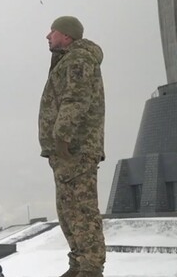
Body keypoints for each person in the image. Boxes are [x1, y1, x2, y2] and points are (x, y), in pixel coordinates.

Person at [39, 16, 106, 277]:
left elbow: (76, 97)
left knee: (82, 209)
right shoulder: (67, 60)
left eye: (52, 31)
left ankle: (90, 268)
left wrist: (63, 137)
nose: (48, 36)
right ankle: (78, 263)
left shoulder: (79, 60)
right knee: (68, 211)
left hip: (75, 148)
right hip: (64, 151)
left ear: (66, 36)